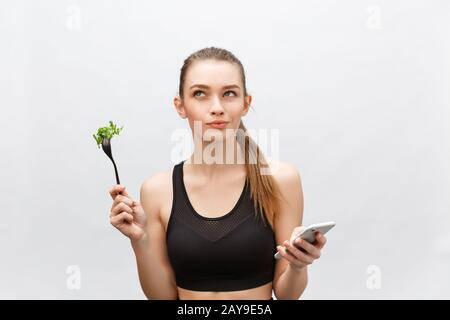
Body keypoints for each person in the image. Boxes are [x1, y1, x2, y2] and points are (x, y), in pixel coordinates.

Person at [108, 47, 328, 300]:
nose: (217, 107)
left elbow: (287, 294)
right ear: (180, 106)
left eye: (229, 94)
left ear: (246, 104)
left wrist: (299, 265)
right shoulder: (157, 190)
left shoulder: (280, 180)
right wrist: (140, 240)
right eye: (200, 93)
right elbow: (163, 298)